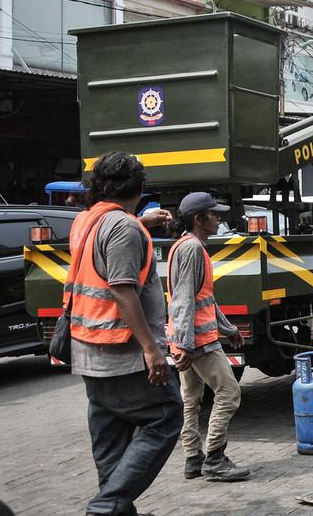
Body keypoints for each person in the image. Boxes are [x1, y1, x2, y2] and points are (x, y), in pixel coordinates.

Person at [65, 151, 180, 516]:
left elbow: (112, 234)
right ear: (141, 187)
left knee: (111, 436)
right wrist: (151, 349)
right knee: (165, 416)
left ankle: (115, 508)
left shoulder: (86, 220)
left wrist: (139, 221)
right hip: (123, 353)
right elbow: (121, 288)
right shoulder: (126, 228)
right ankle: (105, 507)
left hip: (88, 350)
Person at [168, 192, 251, 482]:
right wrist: (188, 345)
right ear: (198, 219)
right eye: (213, 214)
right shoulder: (192, 248)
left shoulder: (188, 246)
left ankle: (193, 459)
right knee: (229, 392)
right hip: (198, 342)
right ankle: (215, 457)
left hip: (188, 340)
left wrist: (228, 329)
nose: (219, 218)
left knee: (191, 399)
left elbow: (204, 298)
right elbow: (183, 299)